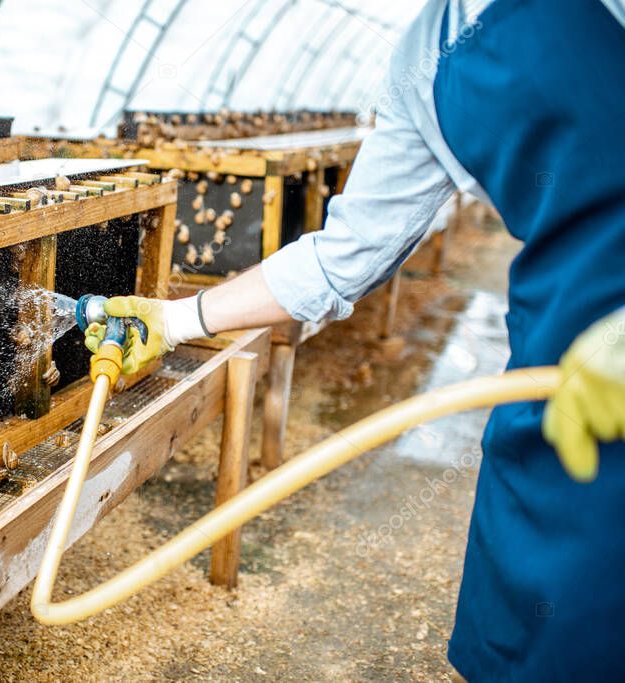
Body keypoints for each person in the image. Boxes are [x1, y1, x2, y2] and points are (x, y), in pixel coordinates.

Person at [86, 0, 625, 679]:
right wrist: (177, 321)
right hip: (565, 362)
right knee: (549, 620)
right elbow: (342, 256)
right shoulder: (427, 56)